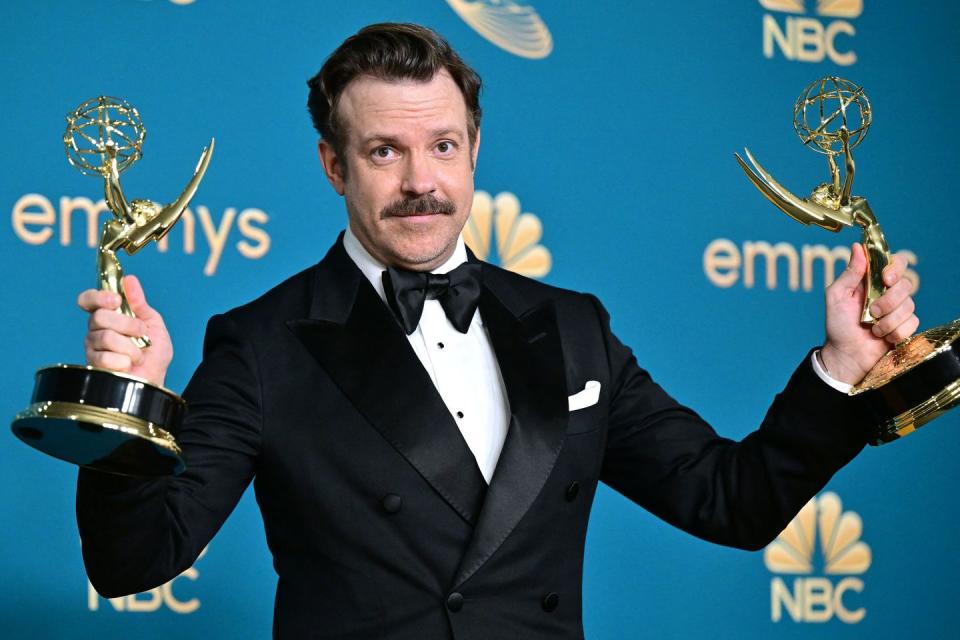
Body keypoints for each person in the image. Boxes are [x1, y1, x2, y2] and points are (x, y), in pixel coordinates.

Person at [75, 23, 918, 640]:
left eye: (442, 145)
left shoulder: (573, 326)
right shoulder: (262, 342)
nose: (420, 183)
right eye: (383, 153)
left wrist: (842, 367)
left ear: (475, 147)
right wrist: (129, 402)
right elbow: (134, 561)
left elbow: (730, 501)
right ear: (333, 166)